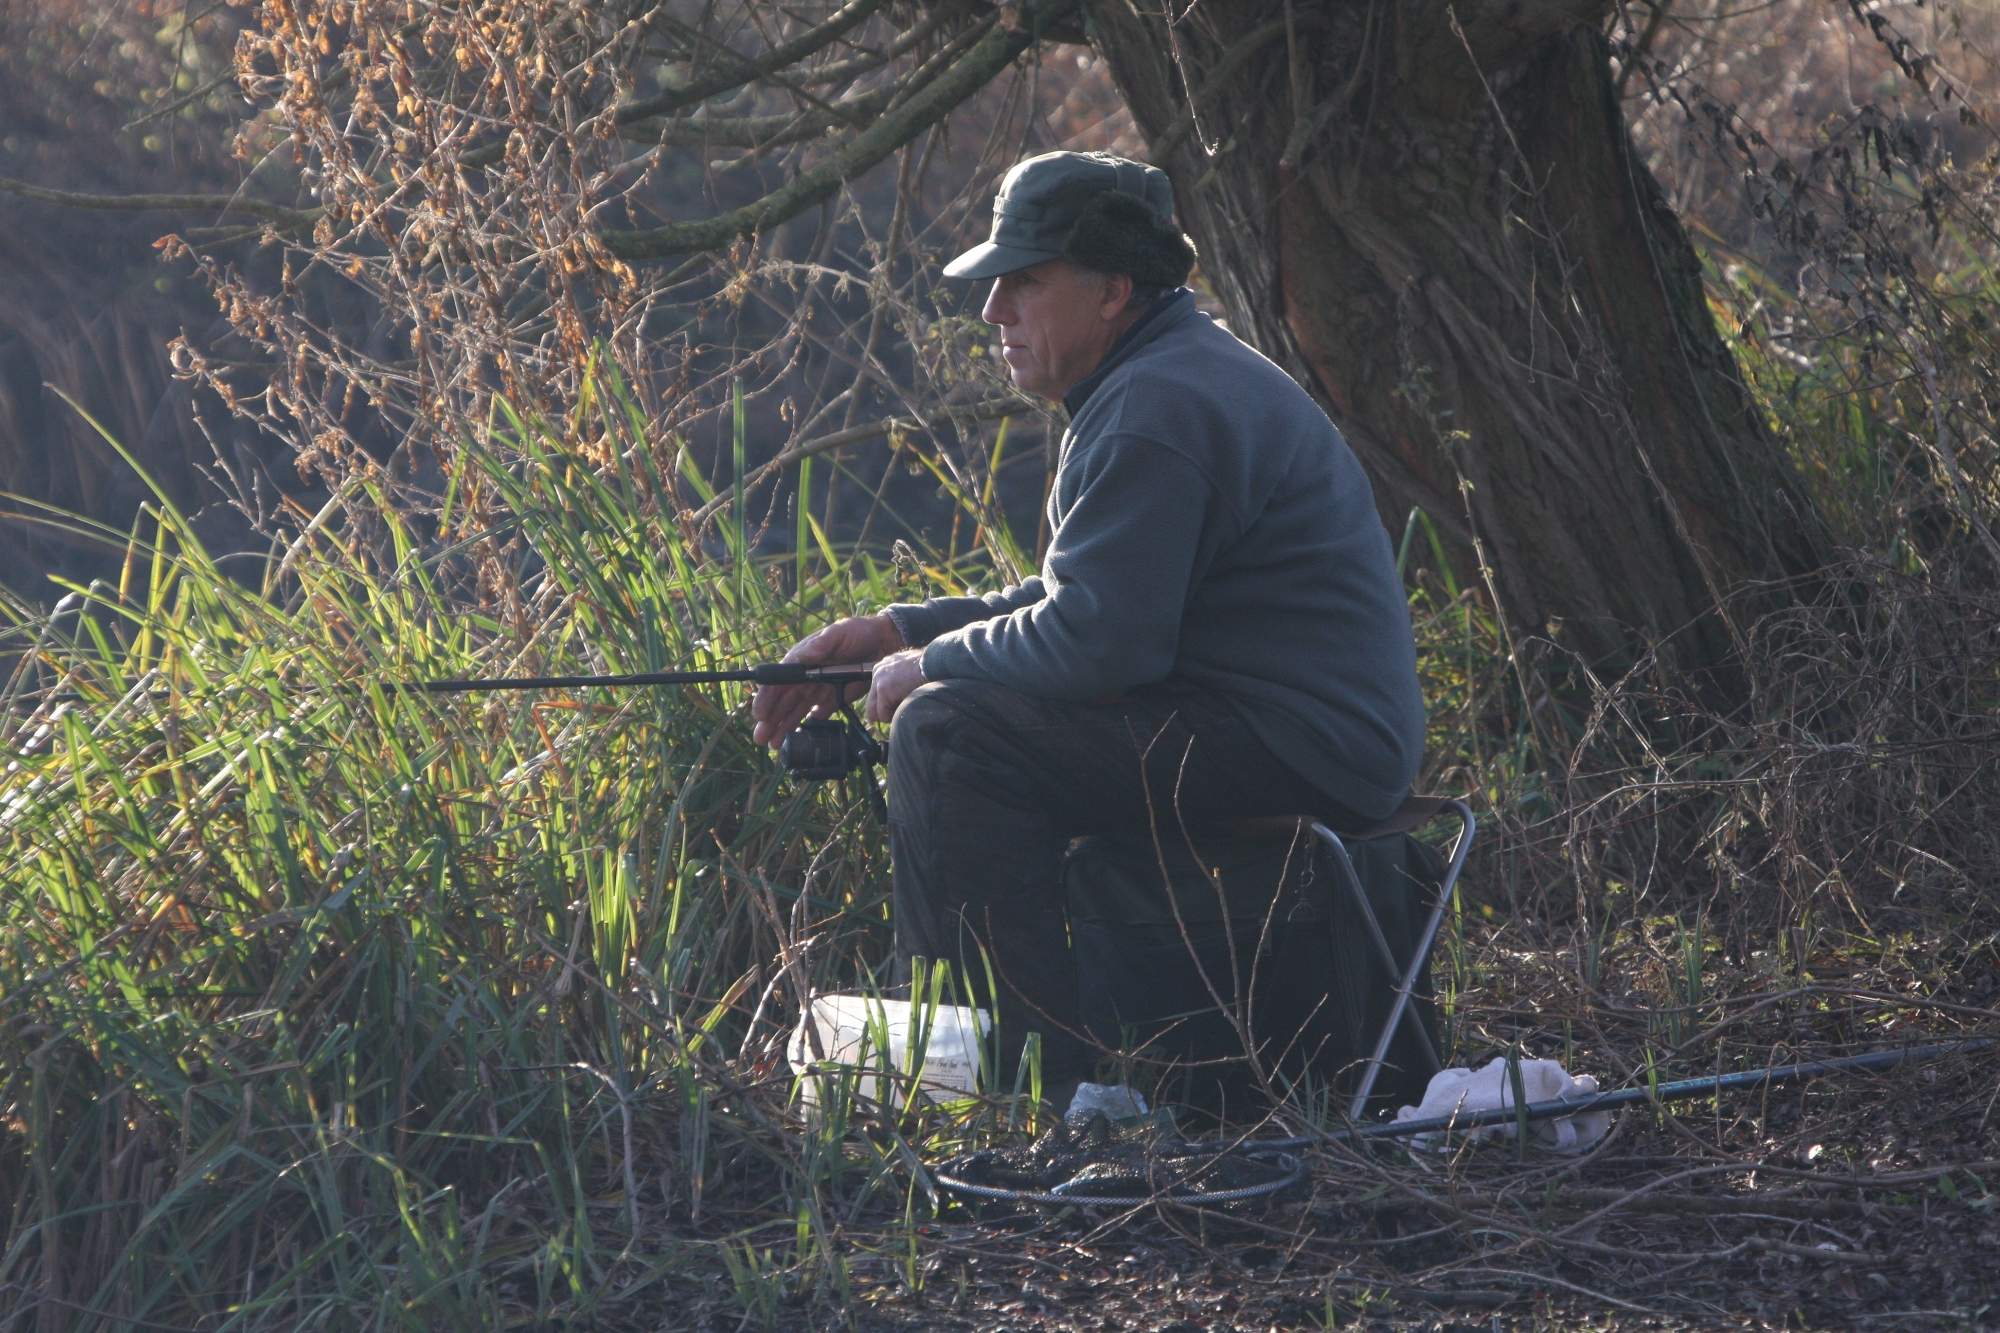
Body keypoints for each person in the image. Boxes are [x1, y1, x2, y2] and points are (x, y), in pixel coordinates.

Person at [751, 150, 1424, 1093]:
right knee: (954, 711)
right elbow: (1085, 600)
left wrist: (933, 667)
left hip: (1302, 743)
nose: (994, 312)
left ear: (1112, 289)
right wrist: (898, 631)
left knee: (949, 737)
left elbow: (1102, 642)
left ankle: (1022, 1083)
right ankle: (1023, 1061)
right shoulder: (1160, 377)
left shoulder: (1158, 406)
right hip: (1273, 724)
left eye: (1023, 283)